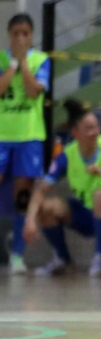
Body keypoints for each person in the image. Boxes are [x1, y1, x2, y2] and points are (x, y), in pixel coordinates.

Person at [21, 100, 101, 277]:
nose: (95, 132)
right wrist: (29, 220)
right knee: (47, 207)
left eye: (96, 127)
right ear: (75, 132)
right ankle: (62, 259)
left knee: (100, 195)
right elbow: (41, 189)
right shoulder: (67, 155)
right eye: (89, 128)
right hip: (85, 213)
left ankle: (99, 257)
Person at [2, 14, 50, 274]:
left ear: (32, 36)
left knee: (22, 197)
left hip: (29, 137)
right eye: (16, 33)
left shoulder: (41, 60)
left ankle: (17, 255)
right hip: (1, 135)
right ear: (9, 34)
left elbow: (33, 91)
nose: (21, 38)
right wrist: (12, 63)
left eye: (26, 33)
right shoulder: (0, 59)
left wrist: (24, 64)